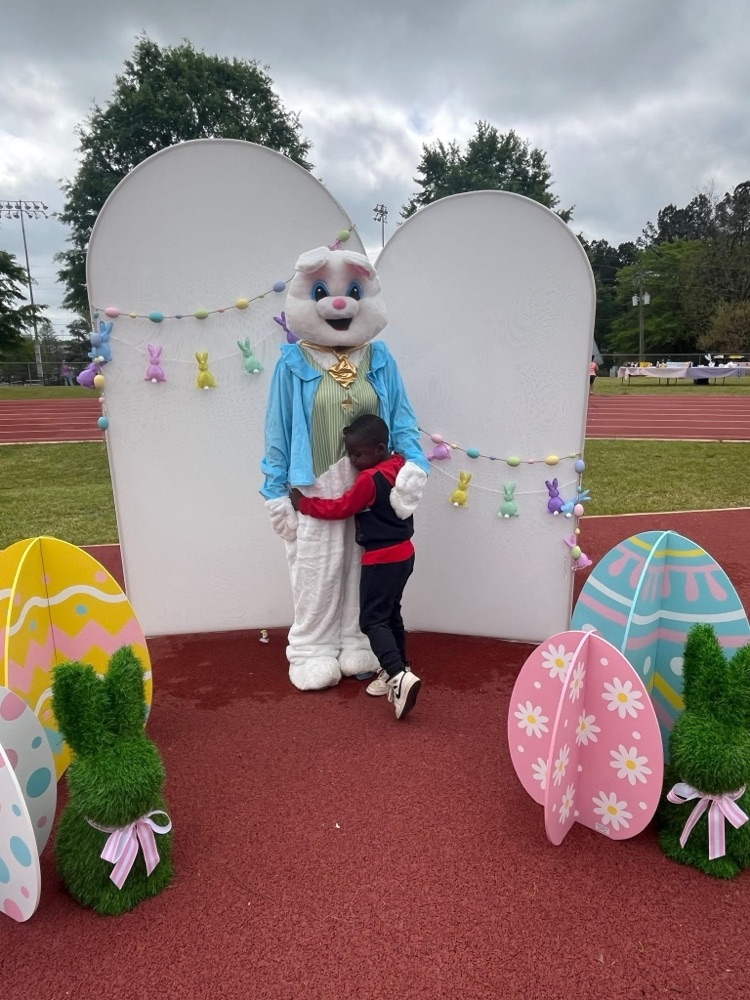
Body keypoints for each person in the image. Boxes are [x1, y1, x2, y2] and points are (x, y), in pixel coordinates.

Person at [289, 414, 421, 720]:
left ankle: (398, 677)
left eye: (357, 454)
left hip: (380, 559)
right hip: (405, 555)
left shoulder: (368, 480)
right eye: (349, 453)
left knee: (372, 621)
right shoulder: (399, 467)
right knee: (391, 613)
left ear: (379, 449)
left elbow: (342, 507)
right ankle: (400, 667)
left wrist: (304, 504)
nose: (351, 460)